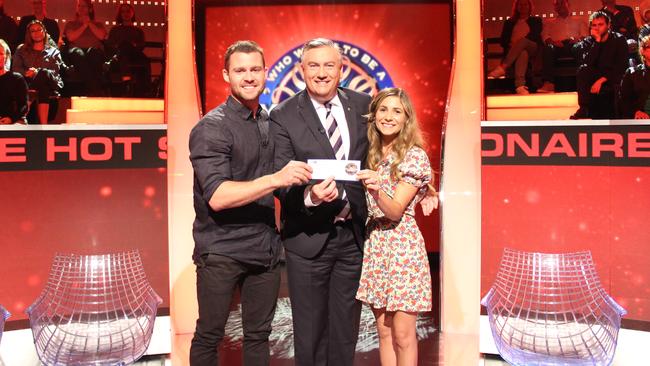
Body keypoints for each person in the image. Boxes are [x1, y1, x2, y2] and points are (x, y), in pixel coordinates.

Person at [188, 40, 312, 366]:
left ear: (265, 73)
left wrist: (314, 193)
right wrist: (276, 179)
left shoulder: (269, 123)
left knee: (259, 336)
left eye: (255, 69)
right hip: (221, 250)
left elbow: (285, 182)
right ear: (226, 75)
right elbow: (217, 197)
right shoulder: (210, 129)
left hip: (264, 249)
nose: (248, 77)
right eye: (240, 70)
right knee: (210, 335)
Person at [270, 38, 372, 366]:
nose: (322, 73)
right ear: (301, 70)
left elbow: (383, 159)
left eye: (329, 65)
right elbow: (280, 179)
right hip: (308, 238)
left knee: (345, 332)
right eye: (313, 65)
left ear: (341, 69)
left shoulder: (365, 106)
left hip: (354, 237)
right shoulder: (283, 115)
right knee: (310, 333)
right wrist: (310, 196)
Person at [355, 87, 432, 366]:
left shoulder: (413, 156)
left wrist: (376, 191)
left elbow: (396, 210)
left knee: (402, 334)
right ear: (374, 115)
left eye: (396, 111)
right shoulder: (370, 153)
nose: (389, 117)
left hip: (402, 246)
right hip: (376, 244)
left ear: (406, 119)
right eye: (383, 110)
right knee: (384, 332)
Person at [571, 11, 628, 119]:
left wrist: (601, 80)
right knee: (582, 70)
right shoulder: (589, 41)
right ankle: (584, 108)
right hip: (595, 73)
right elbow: (587, 62)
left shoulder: (619, 39)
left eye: (600, 24)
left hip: (613, 75)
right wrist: (597, 42)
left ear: (608, 25)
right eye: (594, 25)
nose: (597, 28)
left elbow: (621, 66)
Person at [12, 20, 64, 124]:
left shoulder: (54, 51)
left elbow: (55, 73)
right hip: (29, 83)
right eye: (33, 31)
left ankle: (23, 112)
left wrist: (37, 73)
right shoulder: (21, 49)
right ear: (29, 34)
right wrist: (27, 72)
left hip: (51, 83)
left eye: (39, 30)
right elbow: (16, 69)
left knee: (43, 73)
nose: (36, 33)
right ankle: (43, 125)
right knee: (42, 86)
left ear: (44, 31)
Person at [488, 0, 543, 94]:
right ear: (516, 7)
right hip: (515, 50)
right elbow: (503, 40)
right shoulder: (509, 22)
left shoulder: (536, 21)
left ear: (529, 6)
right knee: (522, 53)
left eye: (525, 4)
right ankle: (520, 86)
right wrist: (512, 45)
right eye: (520, 4)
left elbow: (534, 36)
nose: (523, 6)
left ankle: (503, 67)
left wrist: (518, 43)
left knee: (523, 41)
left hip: (532, 48)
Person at [537, 0, 588, 93]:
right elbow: (545, 35)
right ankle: (548, 83)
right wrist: (552, 42)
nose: (560, 6)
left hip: (574, 45)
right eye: (557, 4)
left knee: (580, 47)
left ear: (568, 4)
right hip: (557, 46)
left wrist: (578, 39)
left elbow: (585, 35)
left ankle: (584, 81)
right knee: (548, 48)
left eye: (562, 3)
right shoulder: (549, 22)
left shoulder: (579, 20)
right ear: (555, 8)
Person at [63, 0, 107, 96]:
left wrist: (89, 23)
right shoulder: (71, 24)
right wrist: (84, 25)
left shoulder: (98, 24)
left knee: (93, 52)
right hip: (76, 51)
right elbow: (71, 37)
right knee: (78, 53)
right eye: (79, 6)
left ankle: (92, 89)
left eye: (84, 6)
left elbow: (101, 36)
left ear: (90, 9)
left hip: (94, 51)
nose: (81, 8)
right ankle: (96, 90)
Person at [105, 3, 150, 96]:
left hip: (134, 54)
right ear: (120, 14)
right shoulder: (115, 30)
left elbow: (142, 45)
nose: (125, 14)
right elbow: (110, 44)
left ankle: (133, 82)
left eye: (128, 11)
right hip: (119, 55)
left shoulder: (138, 30)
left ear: (132, 13)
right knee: (123, 47)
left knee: (128, 48)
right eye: (123, 12)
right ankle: (127, 80)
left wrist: (134, 45)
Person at [620, 35, 650, 118]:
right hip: (641, 121)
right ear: (642, 50)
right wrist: (635, 112)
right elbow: (624, 101)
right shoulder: (632, 73)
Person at [0, 39, 28, 124]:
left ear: (6, 56)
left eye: (0, 54)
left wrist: (11, 119)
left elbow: (23, 106)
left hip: (11, 121)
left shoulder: (16, 79)